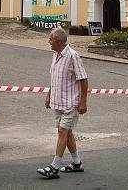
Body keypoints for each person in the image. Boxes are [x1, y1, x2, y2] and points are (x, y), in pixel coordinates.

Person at [37, 27, 88, 179]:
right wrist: (49, 96)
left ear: (59, 41)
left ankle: (54, 167)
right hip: (58, 102)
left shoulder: (73, 56)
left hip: (71, 103)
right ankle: (76, 163)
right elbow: (54, 78)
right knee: (67, 132)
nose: (49, 41)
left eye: (50, 39)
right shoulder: (55, 55)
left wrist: (83, 102)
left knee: (62, 131)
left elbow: (83, 80)